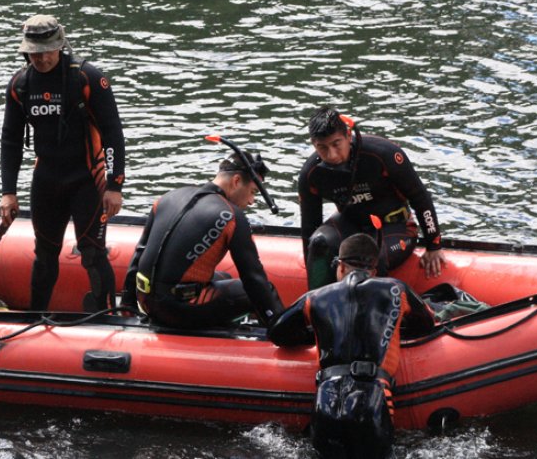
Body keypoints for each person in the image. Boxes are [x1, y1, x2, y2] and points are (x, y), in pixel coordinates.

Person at [0, 14, 125, 312]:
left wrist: (115, 184)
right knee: (44, 255)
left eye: (46, 51)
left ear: (60, 46)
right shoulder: (20, 85)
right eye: (34, 52)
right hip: (47, 181)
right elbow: (11, 141)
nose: (41, 58)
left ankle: (106, 316)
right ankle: (35, 317)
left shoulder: (87, 78)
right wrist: (8, 192)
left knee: (92, 254)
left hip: (87, 181)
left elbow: (113, 132)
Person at [268, 233, 434, 459]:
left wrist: (315, 332)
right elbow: (426, 325)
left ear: (341, 266)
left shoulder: (315, 297)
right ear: (374, 270)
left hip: (325, 400)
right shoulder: (396, 289)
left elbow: (277, 332)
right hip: (371, 399)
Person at [120, 151, 285, 329]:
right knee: (265, 290)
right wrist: (277, 323)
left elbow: (140, 253)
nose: (252, 201)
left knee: (224, 277)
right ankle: (283, 334)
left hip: (146, 301)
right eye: (253, 192)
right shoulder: (230, 215)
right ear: (236, 181)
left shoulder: (168, 197)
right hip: (177, 310)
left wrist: (127, 305)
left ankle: (222, 328)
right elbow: (254, 278)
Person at [298, 105, 446, 289]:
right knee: (318, 242)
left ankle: (370, 314)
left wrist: (434, 244)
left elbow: (420, 197)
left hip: (394, 226)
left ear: (348, 135)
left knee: (370, 256)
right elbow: (309, 227)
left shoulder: (382, 154)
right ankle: (318, 308)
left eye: (336, 144)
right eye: (322, 148)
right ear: (314, 144)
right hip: (351, 224)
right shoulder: (311, 173)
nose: (332, 155)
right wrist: (312, 262)